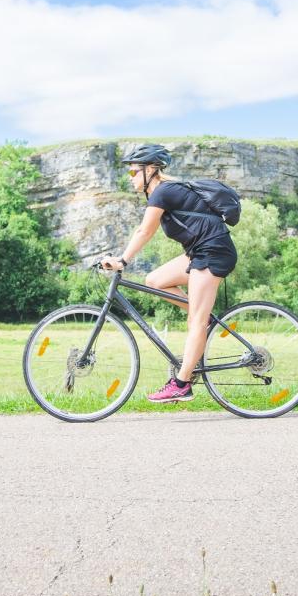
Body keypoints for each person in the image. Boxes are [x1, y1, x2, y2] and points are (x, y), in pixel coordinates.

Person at [100, 143, 238, 403]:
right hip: (200, 251)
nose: (130, 178)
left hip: (212, 252)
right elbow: (145, 231)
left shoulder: (163, 191)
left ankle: (181, 384)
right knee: (154, 281)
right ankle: (203, 318)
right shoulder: (163, 193)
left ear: (150, 170)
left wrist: (122, 261)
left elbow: (145, 232)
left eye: (133, 172)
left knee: (195, 323)